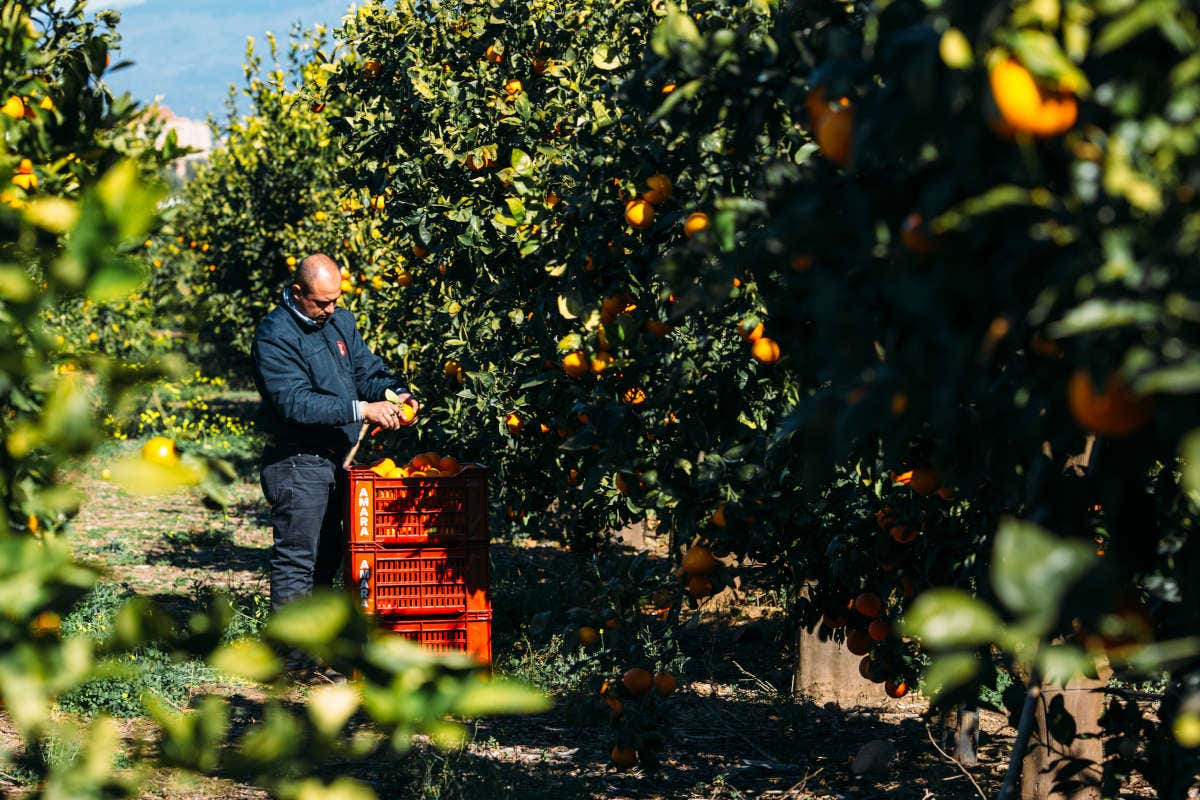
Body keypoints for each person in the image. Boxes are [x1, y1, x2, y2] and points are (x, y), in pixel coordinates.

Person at [251, 253, 417, 682]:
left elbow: (366, 369)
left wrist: (395, 392)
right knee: (297, 560)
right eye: (321, 303)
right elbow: (294, 401)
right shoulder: (275, 334)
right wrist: (363, 409)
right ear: (297, 292)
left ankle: (316, 648)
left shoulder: (339, 322)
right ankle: (290, 662)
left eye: (335, 300)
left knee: (328, 556)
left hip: (333, 460)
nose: (329, 310)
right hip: (295, 459)